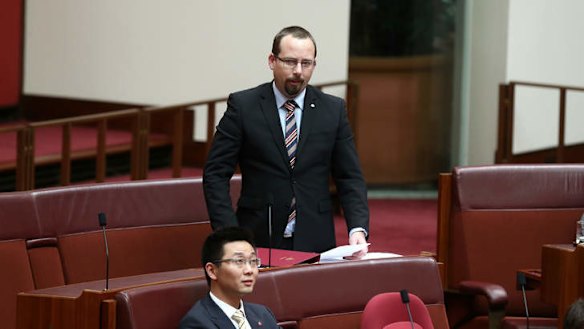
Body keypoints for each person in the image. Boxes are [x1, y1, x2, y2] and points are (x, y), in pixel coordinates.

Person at [203, 25, 370, 255]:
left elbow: (349, 176)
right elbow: (215, 174)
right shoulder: (243, 107)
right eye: (290, 62)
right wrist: (229, 234)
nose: (299, 71)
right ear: (272, 61)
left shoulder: (332, 110)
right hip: (257, 234)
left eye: (306, 63)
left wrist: (357, 228)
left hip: (315, 236)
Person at [178, 227, 280, 329]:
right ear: (212, 271)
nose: (249, 270)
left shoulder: (263, 314)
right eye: (239, 261)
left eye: (253, 261)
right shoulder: (197, 323)